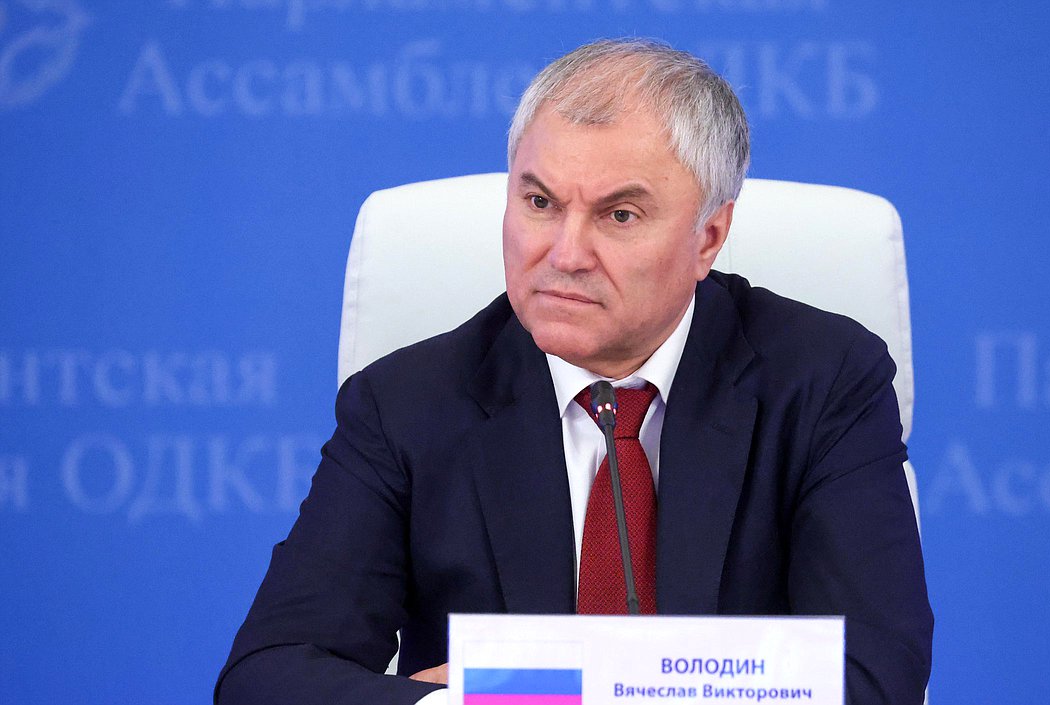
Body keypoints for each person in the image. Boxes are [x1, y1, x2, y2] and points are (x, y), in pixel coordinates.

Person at [216, 38, 932, 705]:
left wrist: (517, 690)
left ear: (709, 237)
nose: (564, 254)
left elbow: (872, 676)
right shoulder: (404, 405)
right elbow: (266, 676)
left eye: (619, 215)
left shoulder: (824, 381)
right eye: (540, 203)